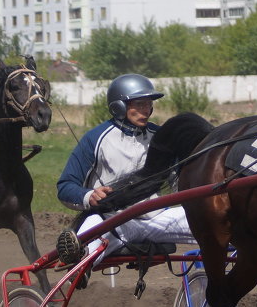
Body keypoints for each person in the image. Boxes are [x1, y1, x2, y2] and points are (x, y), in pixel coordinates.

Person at [57, 73, 195, 259]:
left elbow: (180, 181)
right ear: (119, 106)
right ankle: (78, 258)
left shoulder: (161, 137)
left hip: (156, 219)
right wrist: (89, 196)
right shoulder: (95, 139)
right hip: (113, 220)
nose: (146, 110)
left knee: (214, 222)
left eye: (149, 104)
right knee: (85, 248)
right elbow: (65, 186)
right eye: (139, 104)